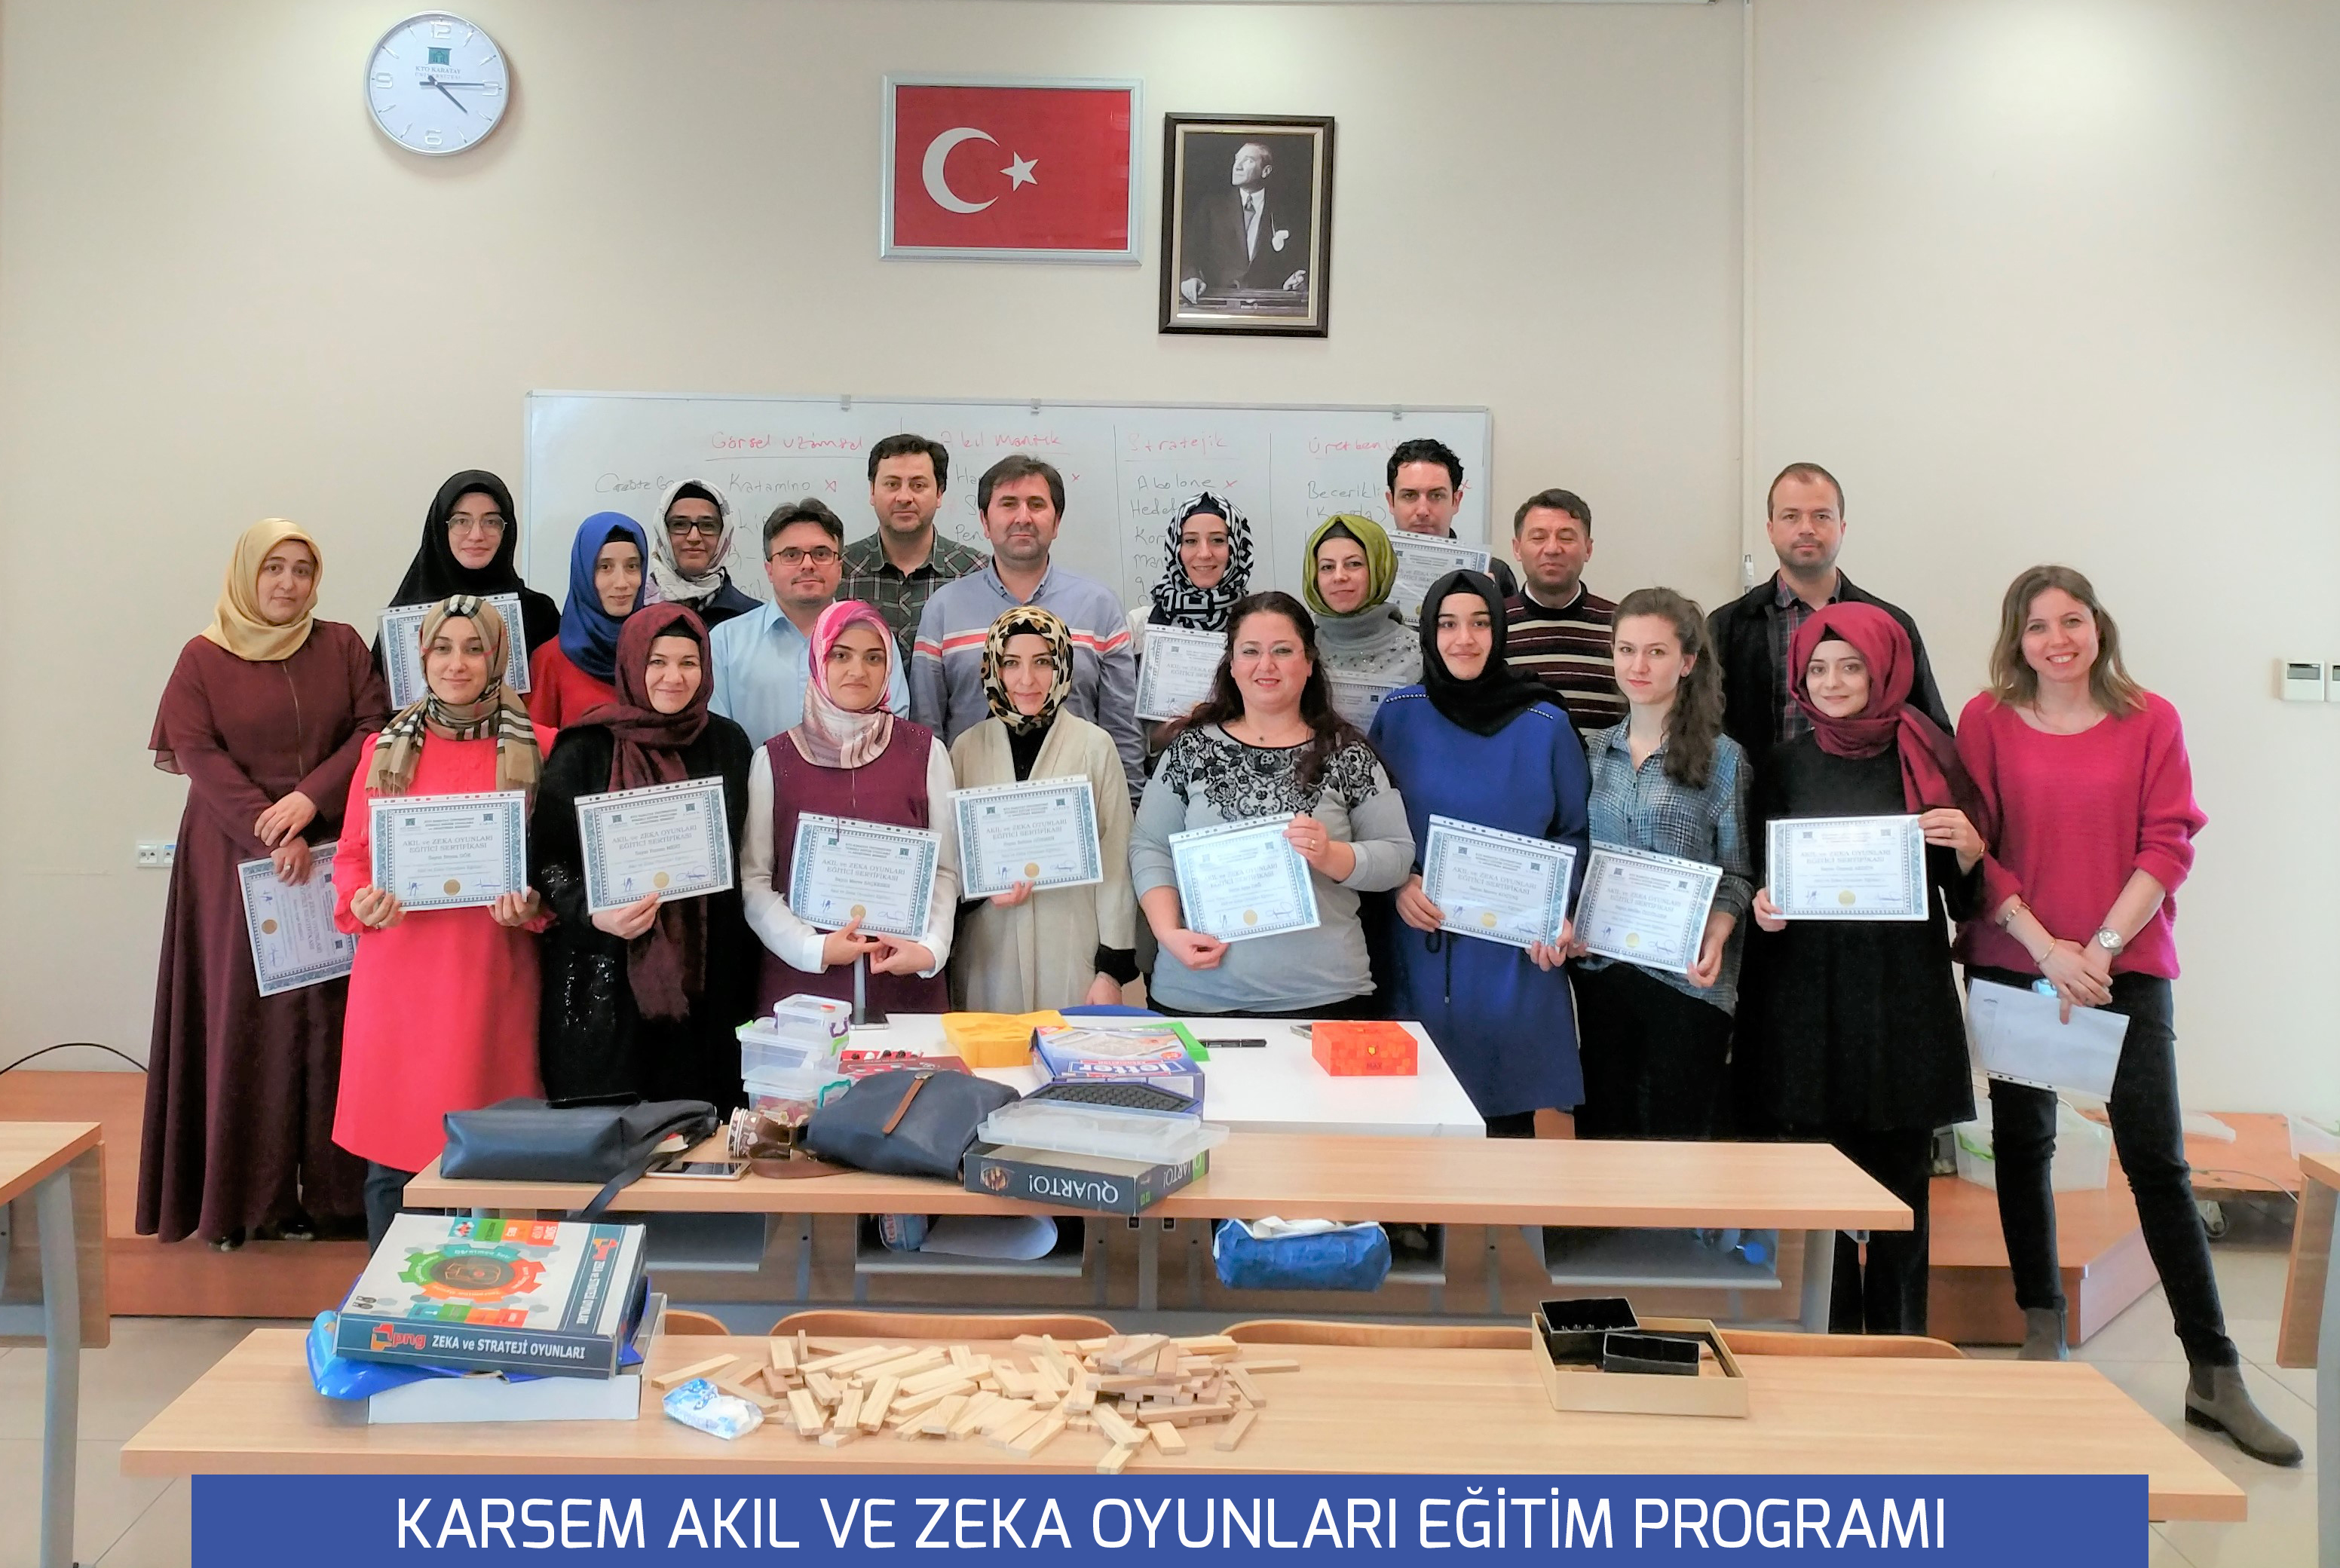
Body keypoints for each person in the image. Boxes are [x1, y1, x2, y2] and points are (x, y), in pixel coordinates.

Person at [1956, 565, 2298, 1465]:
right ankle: (2041, 1327)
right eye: (2036, 626)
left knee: (2157, 1163)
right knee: (2022, 1148)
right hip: (2018, 960)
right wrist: (2047, 951)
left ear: (2097, 626)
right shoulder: (1984, 720)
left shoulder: (2151, 719)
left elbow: (2167, 843)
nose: (2056, 640)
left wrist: (2099, 949)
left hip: (2123, 969)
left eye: (2071, 620)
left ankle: (2213, 1373)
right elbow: (1974, 851)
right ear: (2015, 639)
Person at [141, 520, 389, 1250]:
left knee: (329, 1019)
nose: (288, 583)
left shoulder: (341, 645)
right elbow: (196, 751)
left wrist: (310, 801)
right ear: (246, 573)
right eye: (273, 567)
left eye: (302, 570)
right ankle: (245, 1202)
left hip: (330, 845)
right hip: (231, 857)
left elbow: (372, 729)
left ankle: (338, 1198)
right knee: (245, 1018)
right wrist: (270, 831)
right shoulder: (202, 656)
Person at [1740, 604, 1979, 1335]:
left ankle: (1900, 1346)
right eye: (1818, 668)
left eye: (1851, 666)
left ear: (1884, 671)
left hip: (1901, 999)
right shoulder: (1781, 766)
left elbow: (1964, 898)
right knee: (1823, 1192)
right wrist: (1762, 906)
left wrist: (1969, 849)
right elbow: (1761, 877)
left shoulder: (1930, 758)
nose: (1833, 681)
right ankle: (1833, 1341)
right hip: (1809, 1002)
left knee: (1903, 1190)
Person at [332, 597, 552, 1247]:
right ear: (422, 658)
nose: (458, 663)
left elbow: (556, 867)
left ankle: (494, 1302)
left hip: (491, 974)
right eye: (444, 649)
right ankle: (392, 1305)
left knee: (498, 1162)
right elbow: (352, 856)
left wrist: (535, 906)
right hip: (399, 978)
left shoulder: (542, 747)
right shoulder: (382, 749)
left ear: (498, 659)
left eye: (475, 649)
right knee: (393, 1165)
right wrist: (360, 899)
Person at [1371, 571, 1588, 1136]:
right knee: (1411, 1118)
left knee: (1504, 1122)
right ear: (1429, 633)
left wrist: (1557, 910)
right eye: (1447, 624)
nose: (1463, 639)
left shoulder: (1546, 723)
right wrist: (1399, 882)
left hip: (1514, 952)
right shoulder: (1399, 715)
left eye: (1480, 623)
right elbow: (1369, 825)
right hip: (1419, 941)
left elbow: (1573, 831)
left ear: (1501, 631)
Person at [1132, 592, 1414, 1018]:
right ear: (1231, 663)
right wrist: (1168, 932)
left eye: (1283, 651)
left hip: (1325, 997)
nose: (1266, 665)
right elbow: (1150, 846)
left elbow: (1396, 856)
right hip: (1196, 994)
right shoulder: (1190, 749)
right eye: (1250, 651)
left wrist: (1332, 855)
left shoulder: (1347, 753)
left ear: (1310, 661)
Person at [532, 604, 755, 1110]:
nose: (674, 677)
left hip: (710, 982)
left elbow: (746, 850)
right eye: (657, 662)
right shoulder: (586, 746)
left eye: (688, 663)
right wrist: (595, 912)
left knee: (704, 1133)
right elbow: (547, 858)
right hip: (607, 982)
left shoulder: (728, 743)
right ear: (632, 663)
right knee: (610, 1135)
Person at [1570, 589, 1753, 1142]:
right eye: (1626, 650)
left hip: (1687, 981)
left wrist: (1718, 933)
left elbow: (1738, 873)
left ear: (1687, 662)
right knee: (1603, 1137)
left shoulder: (1724, 759)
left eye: (1656, 652)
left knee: (1676, 1145)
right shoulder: (1590, 751)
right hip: (1603, 972)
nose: (1638, 666)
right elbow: (1576, 856)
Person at [742, 601, 962, 1015]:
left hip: (905, 986)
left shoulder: (925, 752)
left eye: (873, 658)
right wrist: (812, 948)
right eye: (840, 655)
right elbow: (755, 880)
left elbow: (945, 870)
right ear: (818, 660)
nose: (857, 671)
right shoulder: (774, 759)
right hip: (804, 990)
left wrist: (930, 949)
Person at [911, 455, 1144, 798]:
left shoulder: (1099, 606)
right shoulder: (943, 609)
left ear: (1057, 521)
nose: (1023, 517)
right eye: (1008, 504)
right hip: (974, 805)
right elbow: (926, 732)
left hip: (1078, 806)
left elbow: (1122, 727)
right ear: (985, 521)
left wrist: (1131, 804)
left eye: (1036, 504)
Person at [947, 607, 1138, 1013]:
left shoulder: (1095, 745)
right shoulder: (966, 748)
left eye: (1042, 662)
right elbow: (951, 860)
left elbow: (1116, 859)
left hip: (1072, 944)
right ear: (993, 668)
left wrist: (1110, 970)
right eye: (1011, 663)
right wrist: (977, 889)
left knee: (1070, 1050)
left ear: (1063, 665)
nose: (1027, 680)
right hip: (988, 949)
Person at [1708, 462, 1948, 770]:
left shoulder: (1891, 624)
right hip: (1755, 794)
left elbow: (1931, 733)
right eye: (1791, 516)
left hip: (1866, 793)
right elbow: (1702, 728)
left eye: (1821, 516)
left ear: (1842, 528)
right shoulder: (1727, 626)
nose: (1806, 528)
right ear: (1770, 530)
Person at [710, 498, 908, 749]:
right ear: (769, 569)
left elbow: (894, 726)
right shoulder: (725, 642)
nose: (807, 565)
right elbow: (717, 738)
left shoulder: (874, 638)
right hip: (754, 774)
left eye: (821, 554)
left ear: (839, 567)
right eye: (791, 555)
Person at [375, 470, 558, 672]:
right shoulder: (402, 619)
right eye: (461, 521)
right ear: (440, 529)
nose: (477, 535)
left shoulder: (539, 614)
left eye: (491, 522)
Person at [841, 433, 988, 662]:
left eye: (918, 485)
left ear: (939, 494)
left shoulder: (978, 574)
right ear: (872, 492)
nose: (904, 497)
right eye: (892, 484)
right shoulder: (839, 571)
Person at [1503, 488, 1625, 734]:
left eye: (1566, 538)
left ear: (1588, 549)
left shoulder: (1620, 626)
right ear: (1517, 548)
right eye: (1538, 537)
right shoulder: (1492, 625)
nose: (1552, 549)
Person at [527, 512, 647, 730]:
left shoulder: (657, 649)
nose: (622, 583)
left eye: (632, 566)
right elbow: (537, 743)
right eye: (605, 567)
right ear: (583, 572)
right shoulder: (550, 660)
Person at [1178, 139, 1309, 302]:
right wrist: (1190, 277)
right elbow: (1189, 252)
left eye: (1248, 161)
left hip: (1268, 305)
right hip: (1218, 303)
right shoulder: (1212, 207)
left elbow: (1296, 261)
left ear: (1266, 171)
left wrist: (1294, 282)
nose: (1237, 166)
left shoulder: (1287, 211)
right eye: (1237, 159)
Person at [1384, 438, 1515, 597]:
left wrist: (1491, 604)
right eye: (1409, 495)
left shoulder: (1494, 573)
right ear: (1391, 502)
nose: (1423, 510)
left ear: (1456, 501)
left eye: (1436, 495)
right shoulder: (1367, 571)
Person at [1303, 514, 1421, 690]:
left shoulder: (1424, 653)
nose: (1339, 576)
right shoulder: (1299, 651)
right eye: (1327, 567)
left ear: (1378, 570)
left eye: (1354, 564)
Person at [1129, 491, 1254, 640]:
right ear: (1175, 549)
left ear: (1238, 548)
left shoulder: (1259, 625)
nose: (1204, 554)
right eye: (1190, 541)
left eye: (1218, 540)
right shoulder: (1139, 626)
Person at [645, 478, 759, 629]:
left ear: (724, 534)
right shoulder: (634, 608)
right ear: (663, 532)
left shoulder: (753, 619)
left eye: (707, 526)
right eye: (680, 525)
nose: (694, 537)